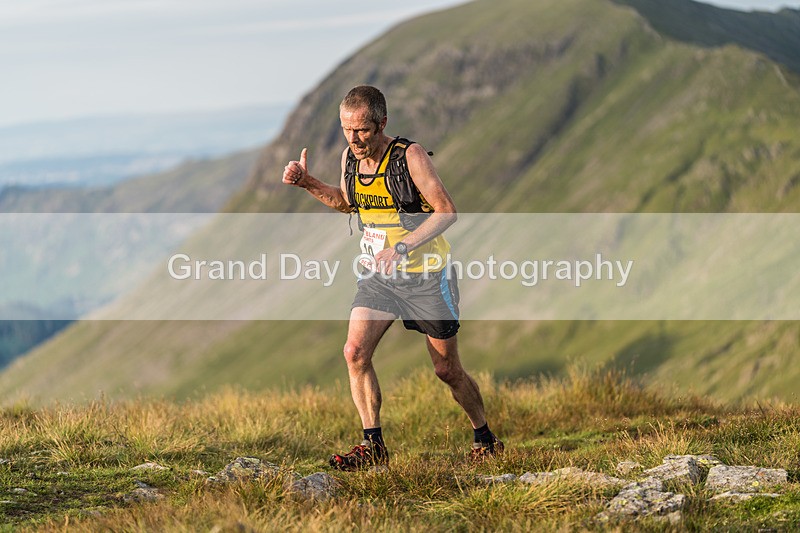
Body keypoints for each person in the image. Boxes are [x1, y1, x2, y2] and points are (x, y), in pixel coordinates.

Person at [282, 85, 502, 470]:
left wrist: (403, 248)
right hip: (379, 276)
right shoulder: (350, 159)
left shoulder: (409, 157)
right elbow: (348, 203)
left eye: (363, 130)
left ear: (382, 123)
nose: (354, 139)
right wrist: (308, 183)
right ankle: (373, 446)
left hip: (426, 276)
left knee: (446, 370)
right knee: (354, 352)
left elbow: (447, 211)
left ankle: (484, 436)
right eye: (347, 130)